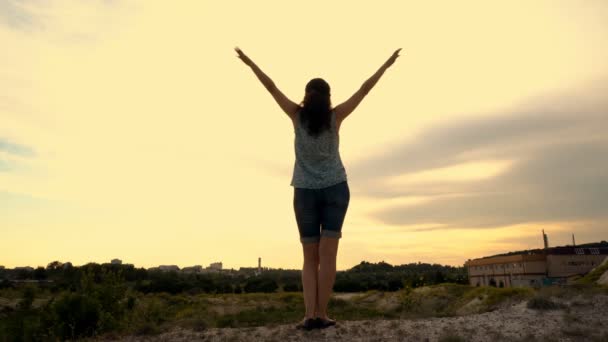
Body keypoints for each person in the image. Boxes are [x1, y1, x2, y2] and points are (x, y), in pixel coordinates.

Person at [235, 46, 401, 330]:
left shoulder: (297, 116)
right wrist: (385, 66)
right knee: (328, 257)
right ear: (328, 98)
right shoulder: (335, 117)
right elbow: (363, 90)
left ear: (306, 95)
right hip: (336, 190)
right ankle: (321, 314)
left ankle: (309, 315)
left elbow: (272, 87)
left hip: (305, 193)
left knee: (309, 258)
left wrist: (251, 64)